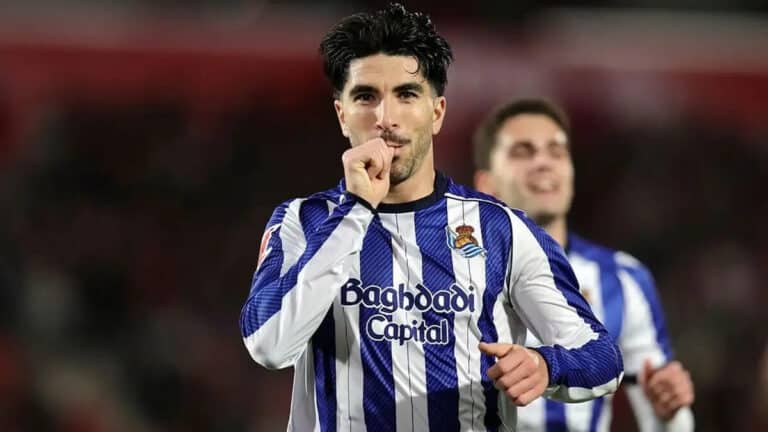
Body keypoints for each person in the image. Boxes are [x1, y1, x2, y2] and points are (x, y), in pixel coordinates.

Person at [239, 5, 623, 431]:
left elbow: (602, 358)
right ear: (341, 114)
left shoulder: (502, 231)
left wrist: (545, 365)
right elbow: (268, 344)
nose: (386, 119)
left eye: (407, 94)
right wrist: (355, 209)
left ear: (437, 112)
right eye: (366, 96)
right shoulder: (302, 221)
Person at [473, 98, 695, 431]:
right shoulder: (452, 274)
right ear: (486, 184)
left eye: (557, 151)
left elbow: (665, 420)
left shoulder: (623, 279)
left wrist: (671, 410)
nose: (544, 163)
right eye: (523, 151)